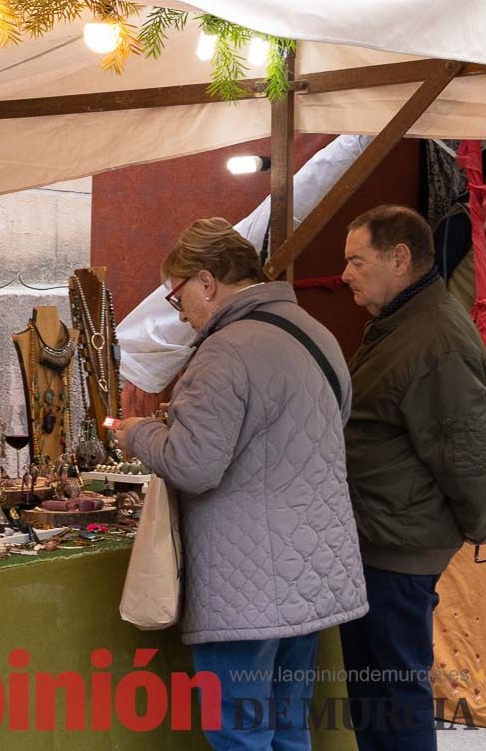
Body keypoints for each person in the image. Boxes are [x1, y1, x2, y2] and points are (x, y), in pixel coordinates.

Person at [114, 217, 368, 751]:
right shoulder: (315, 332)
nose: (177, 311)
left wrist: (138, 433)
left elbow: (193, 465)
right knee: (288, 724)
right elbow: (328, 425)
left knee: (240, 732)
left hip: (247, 583)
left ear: (207, 282)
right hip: (313, 569)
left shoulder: (224, 350)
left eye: (175, 295)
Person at [339, 204, 486, 751]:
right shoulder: (399, 324)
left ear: (399, 259)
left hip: (400, 547)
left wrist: (477, 523)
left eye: (357, 261)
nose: (345, 275)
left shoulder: (435, 338)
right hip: (379, 537)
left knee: (394, 692)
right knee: (373, 692)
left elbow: (464, 451)